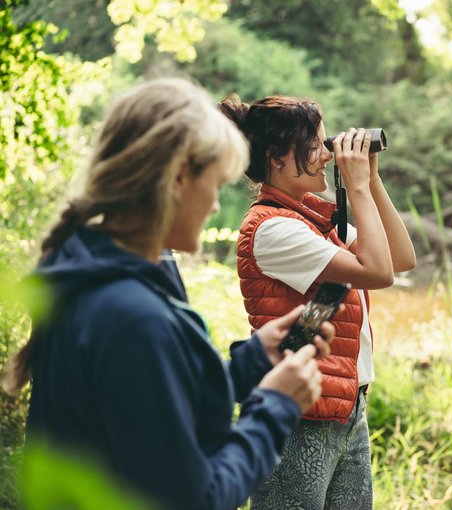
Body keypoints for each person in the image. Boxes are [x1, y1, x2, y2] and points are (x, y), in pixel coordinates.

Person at [1, 77, 337, 510]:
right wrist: (273, 407)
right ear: (179, 178)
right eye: (215, 185)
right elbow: (195, 497)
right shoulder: (133, 315)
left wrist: (251, 362)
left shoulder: (85, 267)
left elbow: (146, 405)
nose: (216, 206)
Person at [218, 94, 416, 509]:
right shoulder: (272, 230)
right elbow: (378, 273)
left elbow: (400, 259)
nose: (327, 154)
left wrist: (371, 182)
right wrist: (357, 185)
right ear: (275, 156)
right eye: (315, 144)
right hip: (299, 417)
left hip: (345, 408)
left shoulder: (314, 220)